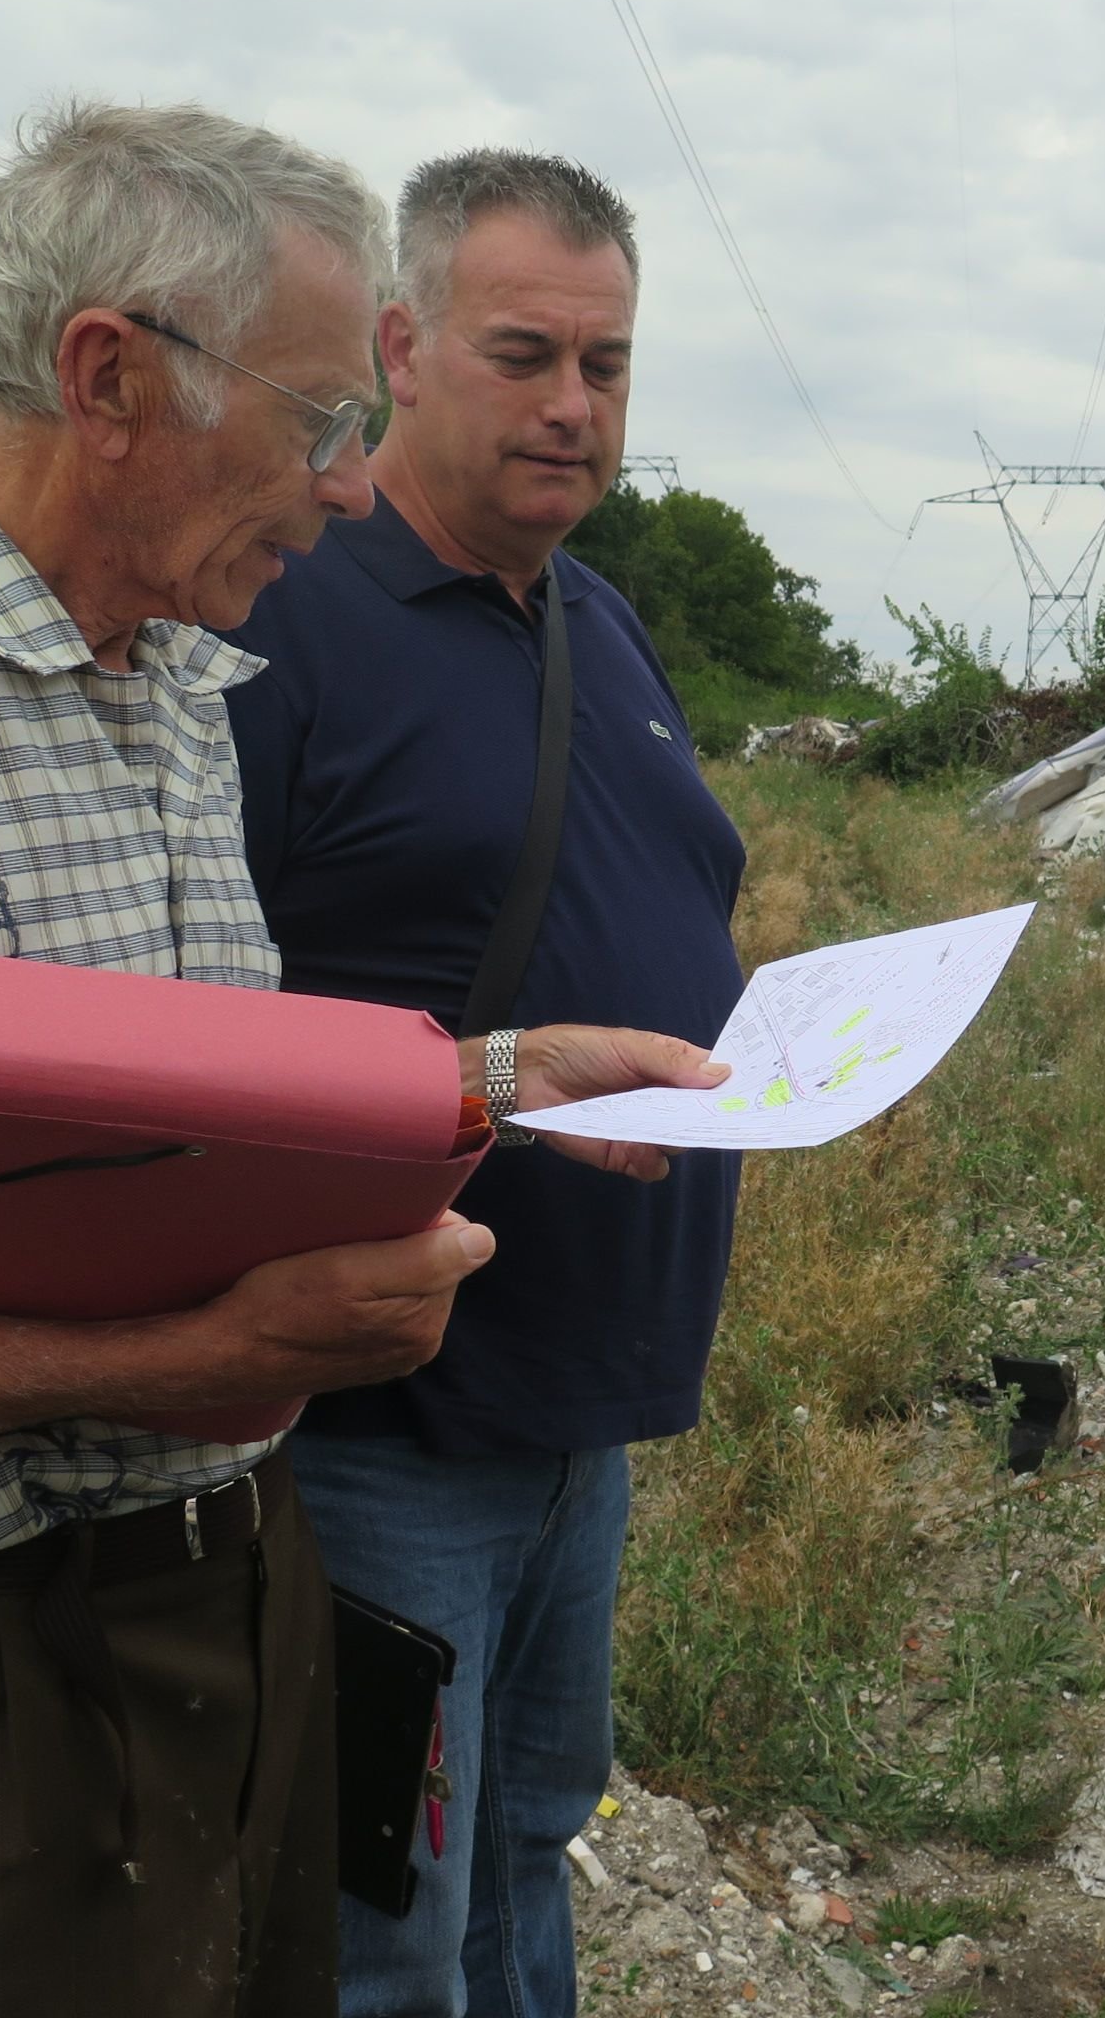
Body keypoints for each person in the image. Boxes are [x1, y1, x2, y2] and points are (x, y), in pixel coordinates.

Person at [0, 103, 714, 2018]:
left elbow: (163, 1123)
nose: (351, 494)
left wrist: (493, 1079)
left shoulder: (177, 686)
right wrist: (169, 1371)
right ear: (108, 376)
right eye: (318, 422)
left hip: (234, 1580)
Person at [224, 149, 746, 2017]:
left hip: (576, 1419)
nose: (573, 405)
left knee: (531, 1847)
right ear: (399, 346)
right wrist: (498, 1086)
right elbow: (195, 1031)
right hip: (384, 1430)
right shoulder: (283, 617)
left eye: (608, 365)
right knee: (389, 1930)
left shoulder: (599, 623)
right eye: (524, 351)